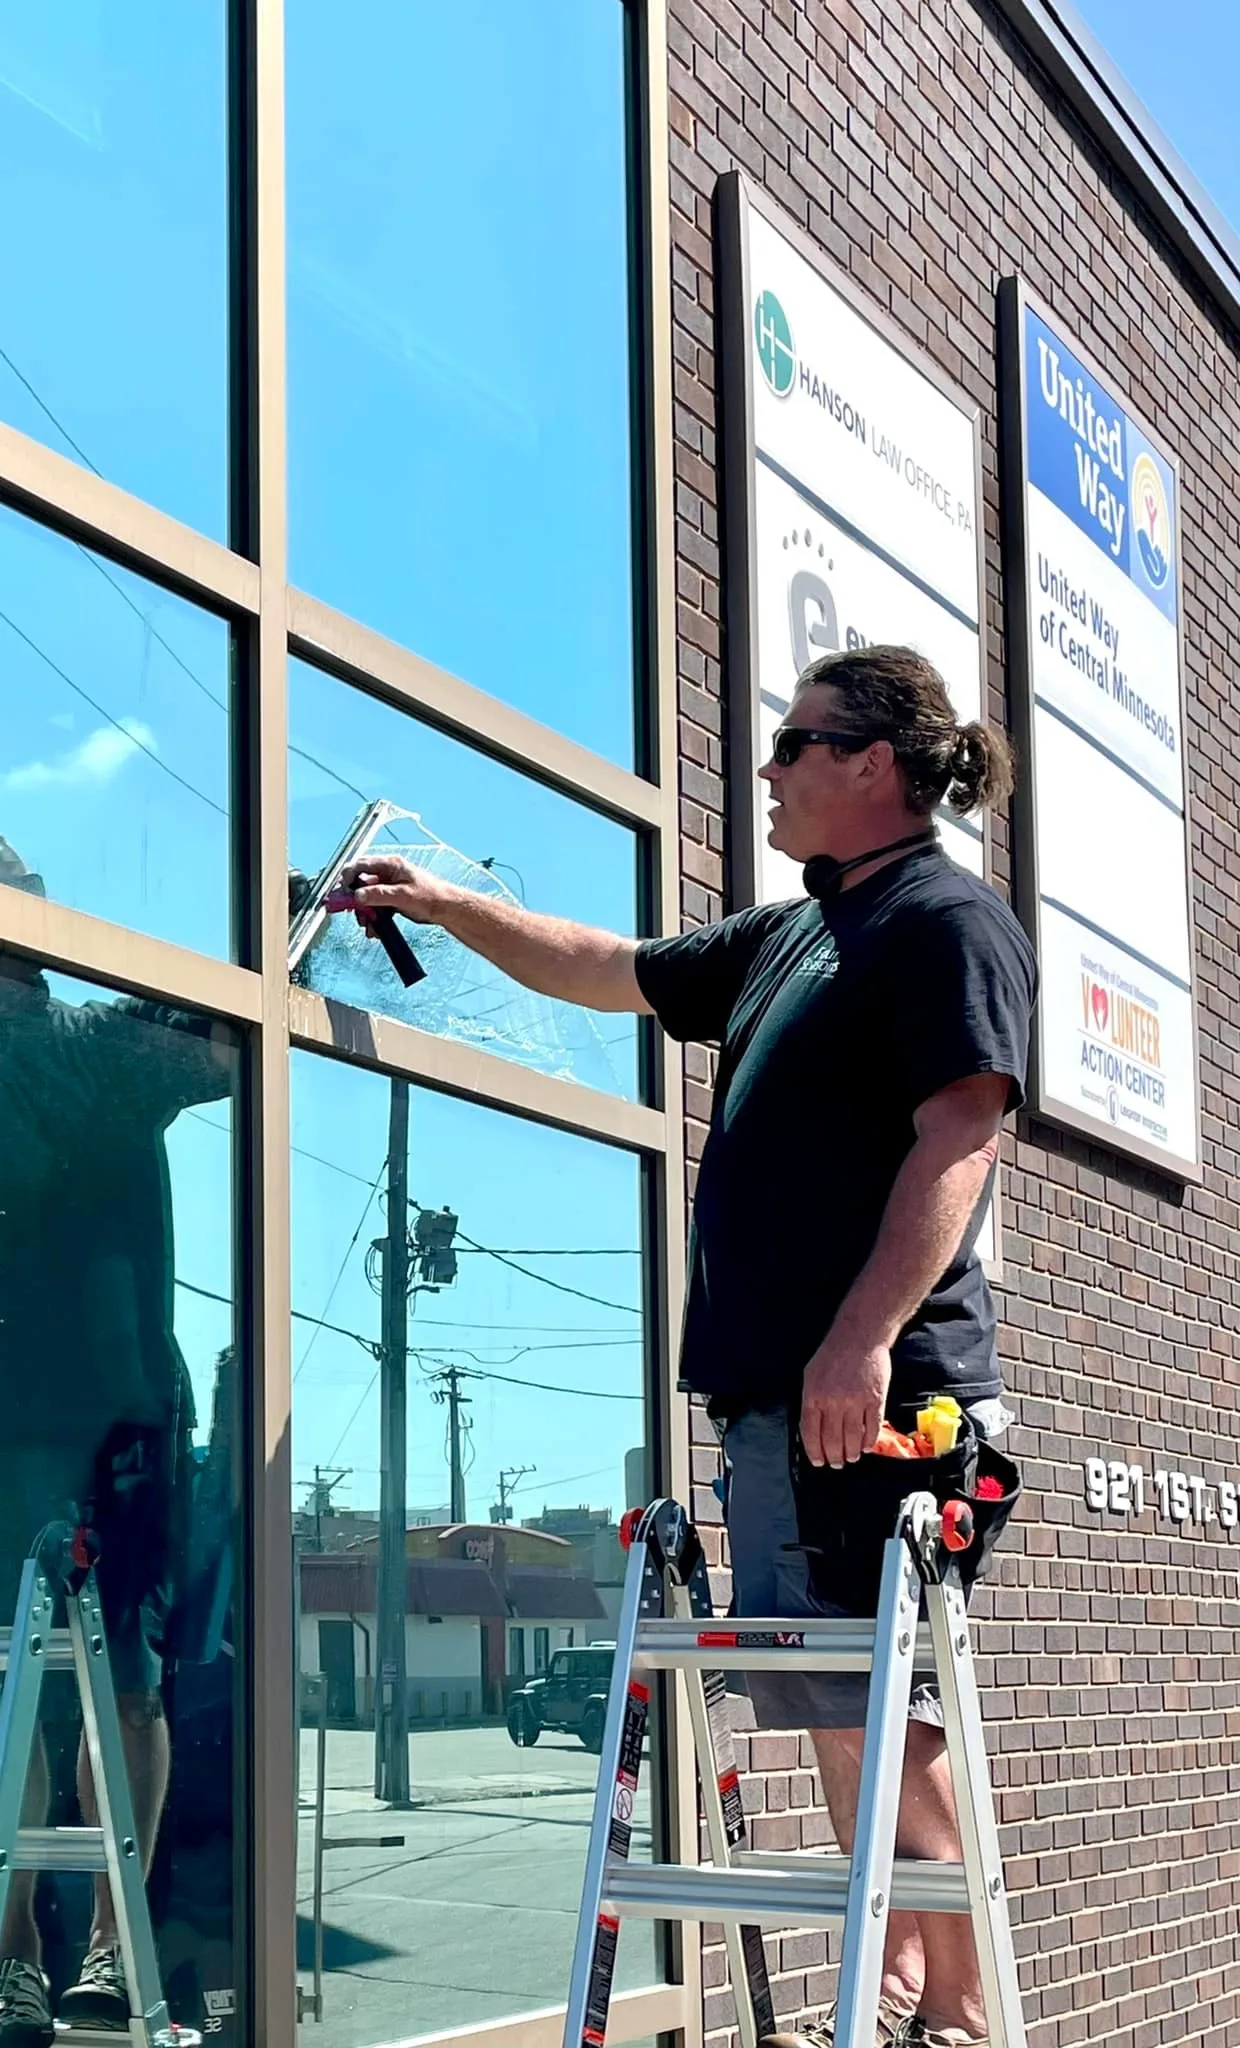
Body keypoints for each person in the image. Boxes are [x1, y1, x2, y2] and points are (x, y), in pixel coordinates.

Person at [332, 646, 1038, 2048]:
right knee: (842, 1703)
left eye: (796, 741)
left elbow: (962, 1131)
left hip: (875, 1400)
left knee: (883, 1711)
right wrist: (447, 904)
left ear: (874, 764)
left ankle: (955, 2018)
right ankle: (895, 1993)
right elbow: (606, 968)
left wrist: (861, 1340)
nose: (767, 768)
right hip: (788, 1403)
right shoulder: (793, 934)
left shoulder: (943, 920)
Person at [0, 841, 232, 2047]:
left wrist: (285, 931)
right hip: (36, 1415)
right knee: (27, 1684)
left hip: (119, 1416)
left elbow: (224, 1038)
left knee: (122, 1685)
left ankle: (97, 1946)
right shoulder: (93, 1049)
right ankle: (24, 1956)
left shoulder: (93, 1049)